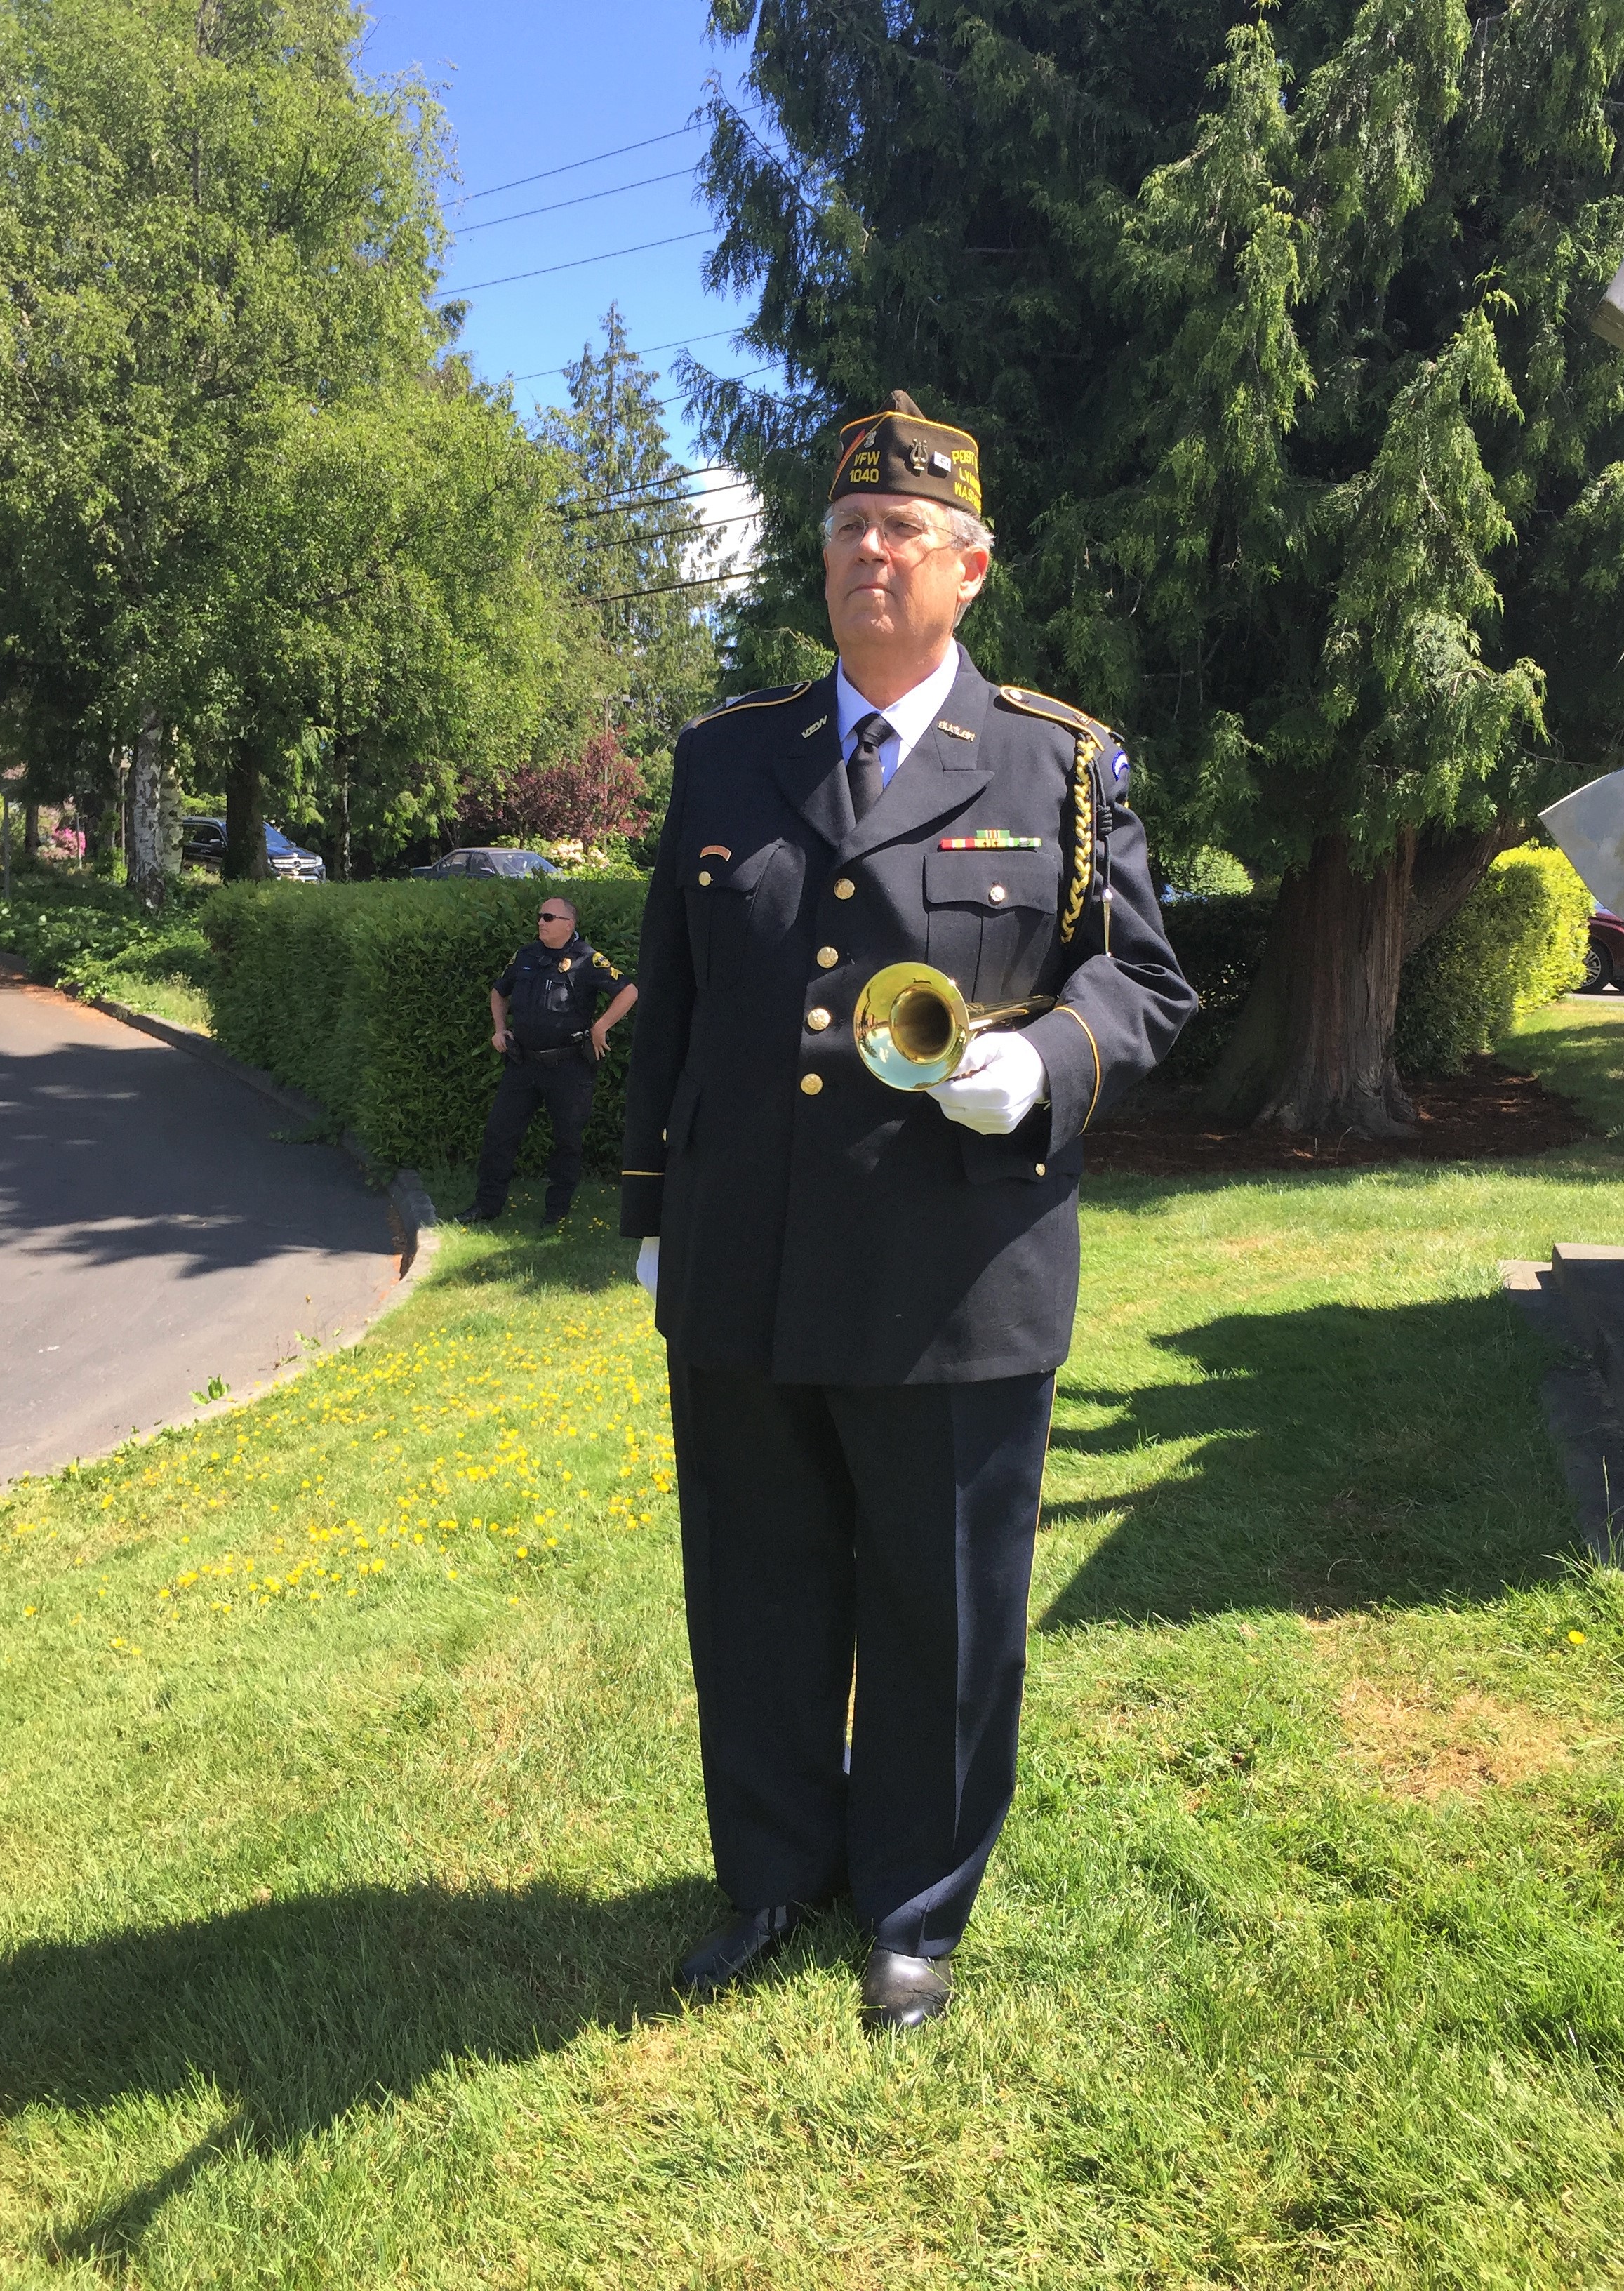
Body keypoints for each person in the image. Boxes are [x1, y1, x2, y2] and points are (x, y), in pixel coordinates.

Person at [620, 393, 1195, 2029]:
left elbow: (1143, 981)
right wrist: (650, 1208)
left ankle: (915, 1908)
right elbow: (672, 995)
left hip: (953, 1264)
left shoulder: (1055, 763)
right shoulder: (728, 754)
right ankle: (770, 1874)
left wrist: (1047, 1064)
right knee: (758, 1589)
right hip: (746, 1258)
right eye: (847, 529)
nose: (869, 553)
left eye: (902, 530)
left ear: (968, 567)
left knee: (942, 1608)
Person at [459, 894, 637, 1230]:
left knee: (567, 1140)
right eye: (541, 916)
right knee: (499, 1135)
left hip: (568, 1066)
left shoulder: (587, 959)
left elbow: (628, 991)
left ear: (569, 924)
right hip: (523, 1063)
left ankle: (556, 1212)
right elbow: (499, 991)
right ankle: (486, 1206)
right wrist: (499, 1029)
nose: (541, 922)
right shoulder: (526, 955)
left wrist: (601, 1027)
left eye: (549, 917)